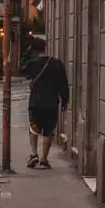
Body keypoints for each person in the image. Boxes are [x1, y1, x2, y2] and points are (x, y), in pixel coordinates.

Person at [20, 38, 69, 169]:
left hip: (36, 101)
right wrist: (65, 100)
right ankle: (44, 159)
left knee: (33, 128)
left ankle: (34, 153)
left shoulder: (32, 63)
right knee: (49, 131)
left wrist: (26, 52)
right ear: (45, 48)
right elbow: (63, 83)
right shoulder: (57, 64)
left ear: (33, 50)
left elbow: (21, 68)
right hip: (51, 102)